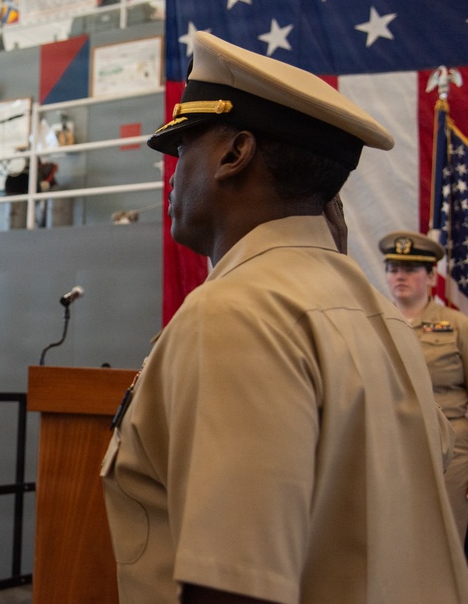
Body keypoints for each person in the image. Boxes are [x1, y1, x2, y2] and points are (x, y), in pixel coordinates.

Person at [101, 31, 468, 603]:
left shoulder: (237, 312)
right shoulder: (380, 317)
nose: (172, 175)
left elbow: (236, 586)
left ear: (233, 153)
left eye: (183, 149)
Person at [380, 230, 468, 547]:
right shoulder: (372, 323)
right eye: (393, 268)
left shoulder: (457, 326)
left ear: (431, 277)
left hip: (450, 452)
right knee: (392, 542)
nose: (400, 276)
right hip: (387, 447)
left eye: (411, 269)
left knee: (445, 543)